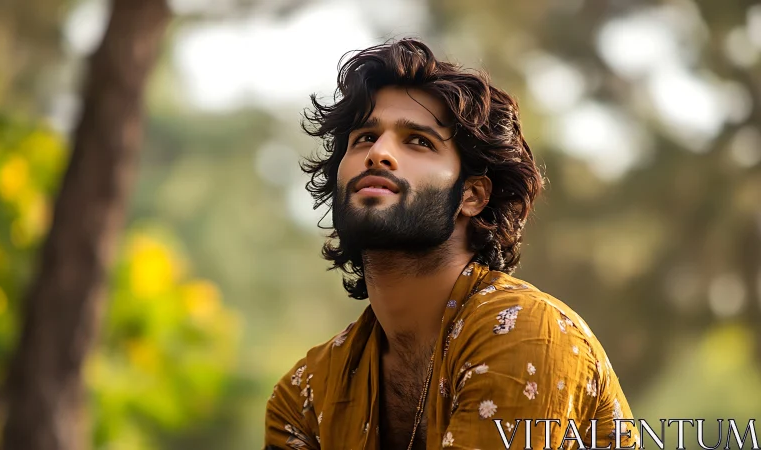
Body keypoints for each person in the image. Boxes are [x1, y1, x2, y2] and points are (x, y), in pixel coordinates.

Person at [264, 38, 636, 450]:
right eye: (364, 138)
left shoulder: (528, 334)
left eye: (418, 141)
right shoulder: (306, 393)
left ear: (471, 196)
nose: (380, 154)